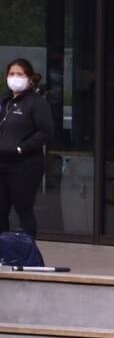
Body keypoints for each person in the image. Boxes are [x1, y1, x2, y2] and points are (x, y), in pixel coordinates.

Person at [0, 58, 54, 239]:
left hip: (25, 165)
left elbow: (45, 131)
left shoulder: (36, 103)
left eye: (20, 74)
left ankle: (27, 252)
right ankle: (4, 253)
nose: (15, 78)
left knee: (23, 209)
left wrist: (21, 149)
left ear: (30, 79)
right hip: (2, 163)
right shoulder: (4, 101)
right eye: (11, 74)